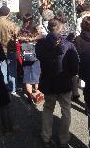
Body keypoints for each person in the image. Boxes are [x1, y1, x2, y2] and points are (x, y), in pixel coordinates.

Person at [35, 19, 79, 148]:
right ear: (60, 28)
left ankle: (46, 137)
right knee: (66, 110)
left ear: (48, 28)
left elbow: (39, 57)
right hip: (64, 82)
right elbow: (75, 66)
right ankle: (64, 139)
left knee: (48, 108)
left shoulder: (41, 44)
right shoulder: (68, 44)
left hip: (48, 81)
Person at [17, 13, 43, 104]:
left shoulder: (21, 30)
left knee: (27, 77)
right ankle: (38, 95)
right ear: (31, 20)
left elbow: (18, 39)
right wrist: (32, 40)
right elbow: (41, 37)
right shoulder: (36, 29)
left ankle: (30, 97)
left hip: (26, 56)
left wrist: (26, 40)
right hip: (35, 55)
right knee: (37, 76)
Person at [0, 6, 19, 94]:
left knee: (2, 70)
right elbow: (16, 36)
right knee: (12, 70)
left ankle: (4, 89)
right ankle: (13, 89)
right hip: (10, 49)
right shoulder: (11, 24)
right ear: (8, 13)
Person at [73, 16, 90, 102]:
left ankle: (88, 105)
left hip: (83, 66)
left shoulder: (78, 39)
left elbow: (75, 53)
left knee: (86, 88)